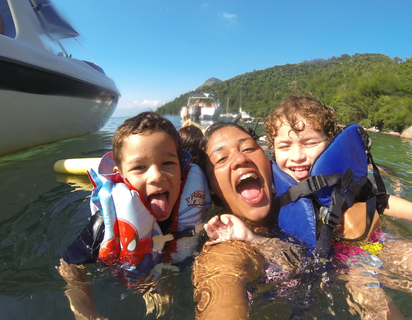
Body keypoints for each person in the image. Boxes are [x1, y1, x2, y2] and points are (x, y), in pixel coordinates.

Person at [262, 94, 412, 319]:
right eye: (285, 146)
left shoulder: (342, 180)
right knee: (379, 308)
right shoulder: (275, 192)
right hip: (347, 265)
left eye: (310, 143)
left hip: (378, 243)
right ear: (273, 150)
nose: (297, 156)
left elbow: (381, 202)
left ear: (330, 143)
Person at [58, 112, 211, 319]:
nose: (157, 175)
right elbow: (69, 266)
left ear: (182, 168)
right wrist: (86, 313)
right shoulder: (105, 224)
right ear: (120, 175)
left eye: (168, 163)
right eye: (140, 167)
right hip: (121, 281)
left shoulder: (194, 203)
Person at [192, 122, 304, 319]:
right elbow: (223, 286)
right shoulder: (224, 250)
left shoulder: (304, 208)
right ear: (210, 185)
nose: (240, 159)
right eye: (221, 159)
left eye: (249, 149)